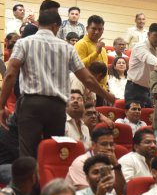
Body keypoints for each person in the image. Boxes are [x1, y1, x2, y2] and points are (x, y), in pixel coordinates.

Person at [0, 11, 114, 158]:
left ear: (39, 24)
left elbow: (10, 75)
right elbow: (88, 79)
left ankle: (31, 179)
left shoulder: (24, 42)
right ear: (56, 26)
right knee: (54, 154)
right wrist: (107, 95)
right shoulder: (67, 47)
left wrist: (1, 105)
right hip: (57, 107)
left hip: (31, 104)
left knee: (28, 154)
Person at [65, 127, 125, 195]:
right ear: (93, 145)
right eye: (104, 144)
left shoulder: (111, 162)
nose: (109, 148)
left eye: (111, 144)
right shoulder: (81, 162)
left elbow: (121, 193)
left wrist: (116, 165)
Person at [125, 23, 157, 107]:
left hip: (149, 89)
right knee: (134, 119)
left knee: (148, 117)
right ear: (148, 34)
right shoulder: (139, 46)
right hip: (134, 89)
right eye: (156, 35)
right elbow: (148, 57)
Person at [74, 15, 108, 90]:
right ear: (87, 28)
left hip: (101, 89)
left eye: (100, 29)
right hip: (86, 88)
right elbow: (78, 66)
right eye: (93, 29)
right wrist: (96, 53)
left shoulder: (102, 47)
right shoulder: (81, 44)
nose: (97, 32)